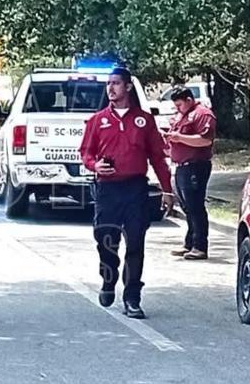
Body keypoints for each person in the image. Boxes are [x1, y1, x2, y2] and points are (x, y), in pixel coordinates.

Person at [79, 68, 174, 319]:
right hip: (107, 189)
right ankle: (108, 278)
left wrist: (167, 190)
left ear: (128, 87)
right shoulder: (97, 120)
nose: (110, 88)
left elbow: (157, 157)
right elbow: (86, 153)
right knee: (105, 239)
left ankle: (132, 297)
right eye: (108, 84)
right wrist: (94, 165)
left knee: (135, 242)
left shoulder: (144, 120)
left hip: (135, 188)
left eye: (116, 83)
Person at [164, 87, 217, 261]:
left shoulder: (202, 114)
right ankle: (189, 243)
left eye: (179, 104)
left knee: (195, 206)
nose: (177, 108)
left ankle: (200, 246)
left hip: (195, 166)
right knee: (187, 207)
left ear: (189, 100)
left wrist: (179, 138)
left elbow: (205, 140)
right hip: (181, 166)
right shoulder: (182, 115)